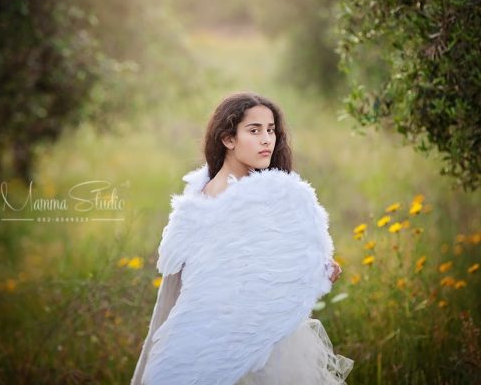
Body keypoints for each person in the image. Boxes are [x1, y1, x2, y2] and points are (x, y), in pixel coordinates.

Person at [131, 91, 354, 384]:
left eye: (271, 130)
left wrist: (314, 269)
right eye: (254, 130)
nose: (267, 140)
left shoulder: (270, 192)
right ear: (228, 139)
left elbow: (277, 258)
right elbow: (207, 283)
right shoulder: (209, 201)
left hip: (268, 335)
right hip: (219, 336)